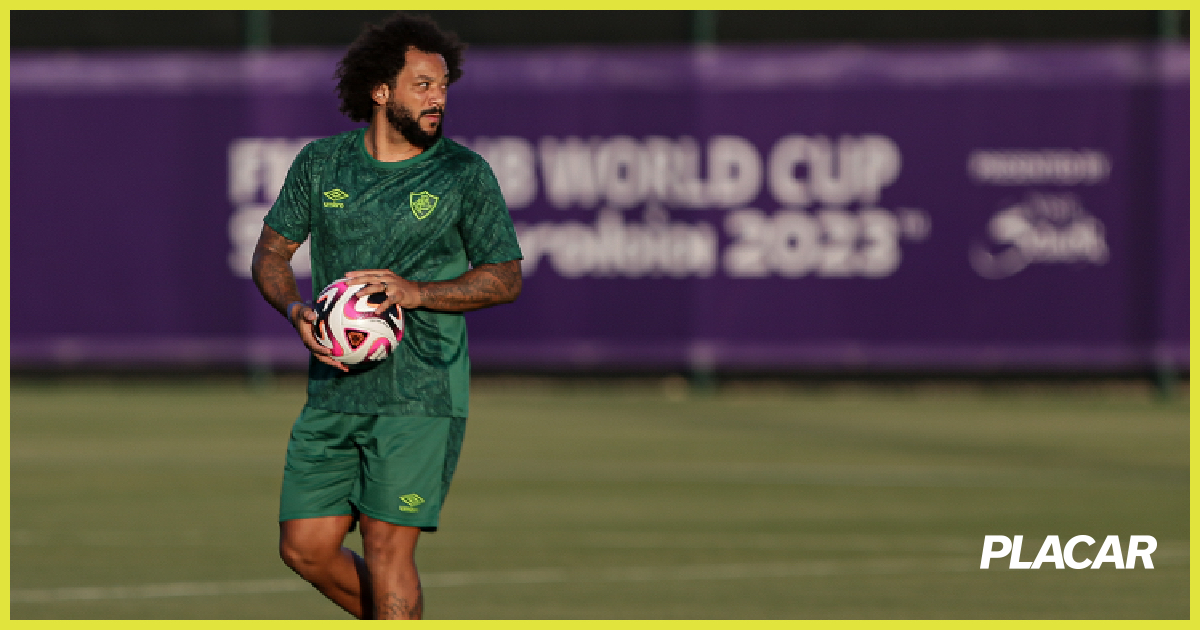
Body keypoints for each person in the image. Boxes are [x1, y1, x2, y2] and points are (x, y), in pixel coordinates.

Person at [250, 13, 523, 620]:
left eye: (444, 84)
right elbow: (271, 253)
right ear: (382, 91)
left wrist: (417, 292)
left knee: (385, 544)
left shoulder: (462, 173)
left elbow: (505, 277)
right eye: (423, 85)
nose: (438, 98)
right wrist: (296, 309)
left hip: (422, 390)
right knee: (305, 548)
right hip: (333, 389)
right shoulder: (321, 164)